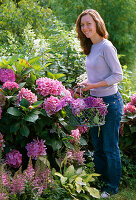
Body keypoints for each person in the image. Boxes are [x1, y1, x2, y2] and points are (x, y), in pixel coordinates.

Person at [76, 9, 124, 198]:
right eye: (82, 25)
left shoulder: (106, 46)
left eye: (89, 23)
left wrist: (93, 85)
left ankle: (112, 187)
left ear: (97, 24)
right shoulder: (91, 47)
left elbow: (118, 75)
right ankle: (102, 180)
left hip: (110, 102)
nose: (85, 27)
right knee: (97, 144)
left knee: (110, 147)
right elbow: (98, 73)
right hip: (94, 102)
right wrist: (85, 84)